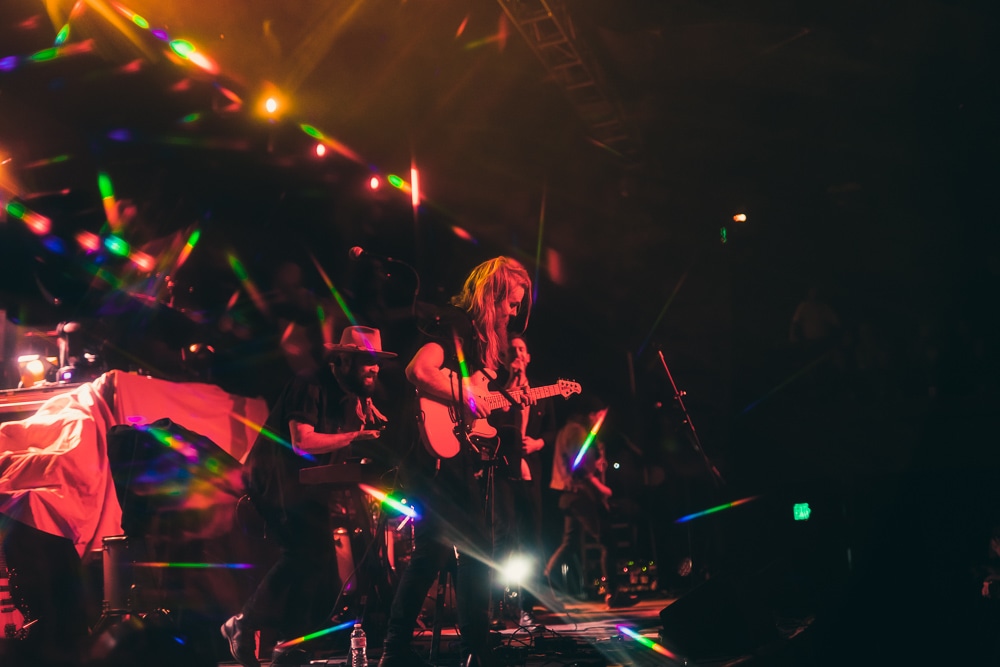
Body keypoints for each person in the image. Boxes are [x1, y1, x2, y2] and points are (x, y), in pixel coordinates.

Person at [378, 257, 532, 667]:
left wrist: (510, 399)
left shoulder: (483, 347)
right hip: (435, 462)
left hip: (459, 459)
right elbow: (418, 370)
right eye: (510, 303)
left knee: (433, 551)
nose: (513, 313)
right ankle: (473, 652)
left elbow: (480, 410)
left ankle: (396, 652)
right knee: (476, 548)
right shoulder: (457, 327)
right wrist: (464, 394)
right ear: (492, 296)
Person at [221, 326, 396, 667]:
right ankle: (244, 625)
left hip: (307, 485)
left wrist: (364, 410)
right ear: (343, 360)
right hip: (277, 480)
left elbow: (350, 416)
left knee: (315, 565)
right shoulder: (309, 383)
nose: (374, 369)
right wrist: (355, 436)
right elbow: (302, 441)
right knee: (304, 555)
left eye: (377, 362)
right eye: (367, 362)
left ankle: (286, 646)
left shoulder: (351, 390)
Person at [490, 334, 556, 632]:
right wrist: (510, 389)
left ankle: (527, 607)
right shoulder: (496, 392)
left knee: (532, 538)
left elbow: (553, 431)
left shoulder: (541, 394)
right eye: (511, 350)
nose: (517, 354)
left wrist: (539, 443)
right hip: (504, 472)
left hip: (531, 473)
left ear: (528, 357)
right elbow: (490, 423)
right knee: (504, 537)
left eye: (521, 349)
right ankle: (497, 605)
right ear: (504, 359)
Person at [543, 397, 621, 608]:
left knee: (569, 544)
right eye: (601, 415)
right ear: (592, 414)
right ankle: (613, 594)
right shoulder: (576, 431)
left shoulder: (569, 430)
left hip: (569, 495)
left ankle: (544, 581)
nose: (602, 420)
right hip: (577, 494)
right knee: (606, 540)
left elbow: (577, 462)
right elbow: (580, 468)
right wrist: (601, 488)